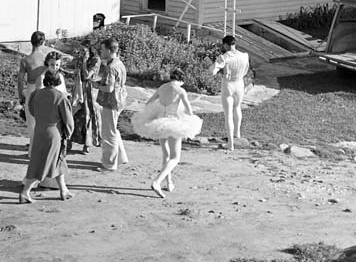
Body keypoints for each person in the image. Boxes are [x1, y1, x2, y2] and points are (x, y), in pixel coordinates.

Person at [132, 68, 203, 198]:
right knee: (175, 158)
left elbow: (149, 103)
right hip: (173, 123)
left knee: (166, 154)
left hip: (160, 122)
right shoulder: (180, 91)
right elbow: (189, 111)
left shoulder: (162, 88)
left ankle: (169, 182)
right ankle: (157, 181)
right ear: (181, 80)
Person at [19, 70, 75, 204]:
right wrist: (67, 133)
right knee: (44, 164)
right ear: (58, 81)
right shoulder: (61, 97)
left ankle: (64, 190)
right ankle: (25, 192)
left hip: (39, 130)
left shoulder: (35, 94)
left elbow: (31, 110)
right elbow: (68, 120)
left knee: (58, 162)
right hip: (54, 133)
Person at [210, 35, 250, 151]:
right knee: (237, 108)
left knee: (228, 114)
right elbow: (246, 70)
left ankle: (230, 143)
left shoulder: (224, 57)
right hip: (239, 83)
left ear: (226, 45)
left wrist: (214, 68)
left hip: (228, 85)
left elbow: (213, 71)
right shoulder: (244, 56)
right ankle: (237, 134)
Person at [95, 38, 129, 171]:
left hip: (111, 101)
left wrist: (96, 85)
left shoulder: (110, 67)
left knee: (109, 133)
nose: (101, 52)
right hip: (120, 99)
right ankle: (121, 157)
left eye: (103, 49)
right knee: (113, 129)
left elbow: (108, 88)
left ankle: (109, 164)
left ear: (109, 51)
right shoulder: (119, 63)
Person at [16, 31, 50, 155]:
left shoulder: (25, 59)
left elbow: (20, 79)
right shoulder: (47, 58)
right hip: (45, 89)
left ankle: (33, 150)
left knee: (32, 122)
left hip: (31, 89)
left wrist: (20, 95)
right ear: (43, 42)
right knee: (45, 121)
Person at [68, 41, 101, 154]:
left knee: (87, 115)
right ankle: (69, 141)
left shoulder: (95, 60)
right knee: (74, 112)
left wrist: (85, 62)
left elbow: (87, 75)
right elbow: (76, 72)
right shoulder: (80, 58)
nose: (81, 52)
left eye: (84, 50)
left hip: (89, 90)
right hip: (78, 88)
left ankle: (87, 144)